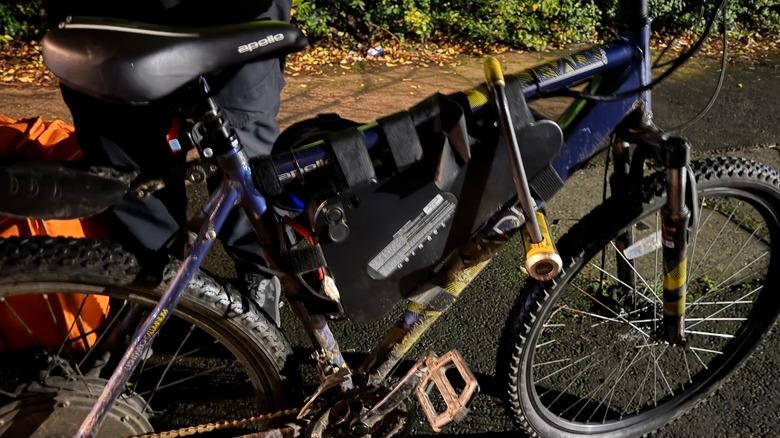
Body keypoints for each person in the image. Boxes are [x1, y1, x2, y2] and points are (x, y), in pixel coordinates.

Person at [43, 0, 290, 310]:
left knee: (244, 159)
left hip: (232, 16)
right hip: (108, 22)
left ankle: (261, 275)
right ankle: (151, 287)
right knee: (130, 176)